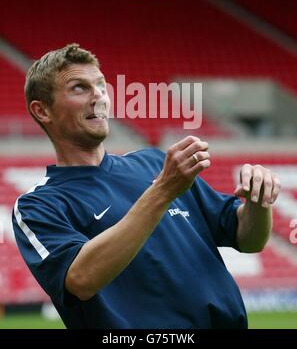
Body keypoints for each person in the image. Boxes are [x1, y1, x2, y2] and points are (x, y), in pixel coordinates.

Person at [12, 43, 281, 329]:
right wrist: (163, 191)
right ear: (42, 111)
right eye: (80, 88)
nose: (99, 97)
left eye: (101, 85)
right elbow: (80, 279)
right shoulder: (38, 205)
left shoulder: (155, 162)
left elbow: (248, 239)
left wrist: (258, 201)